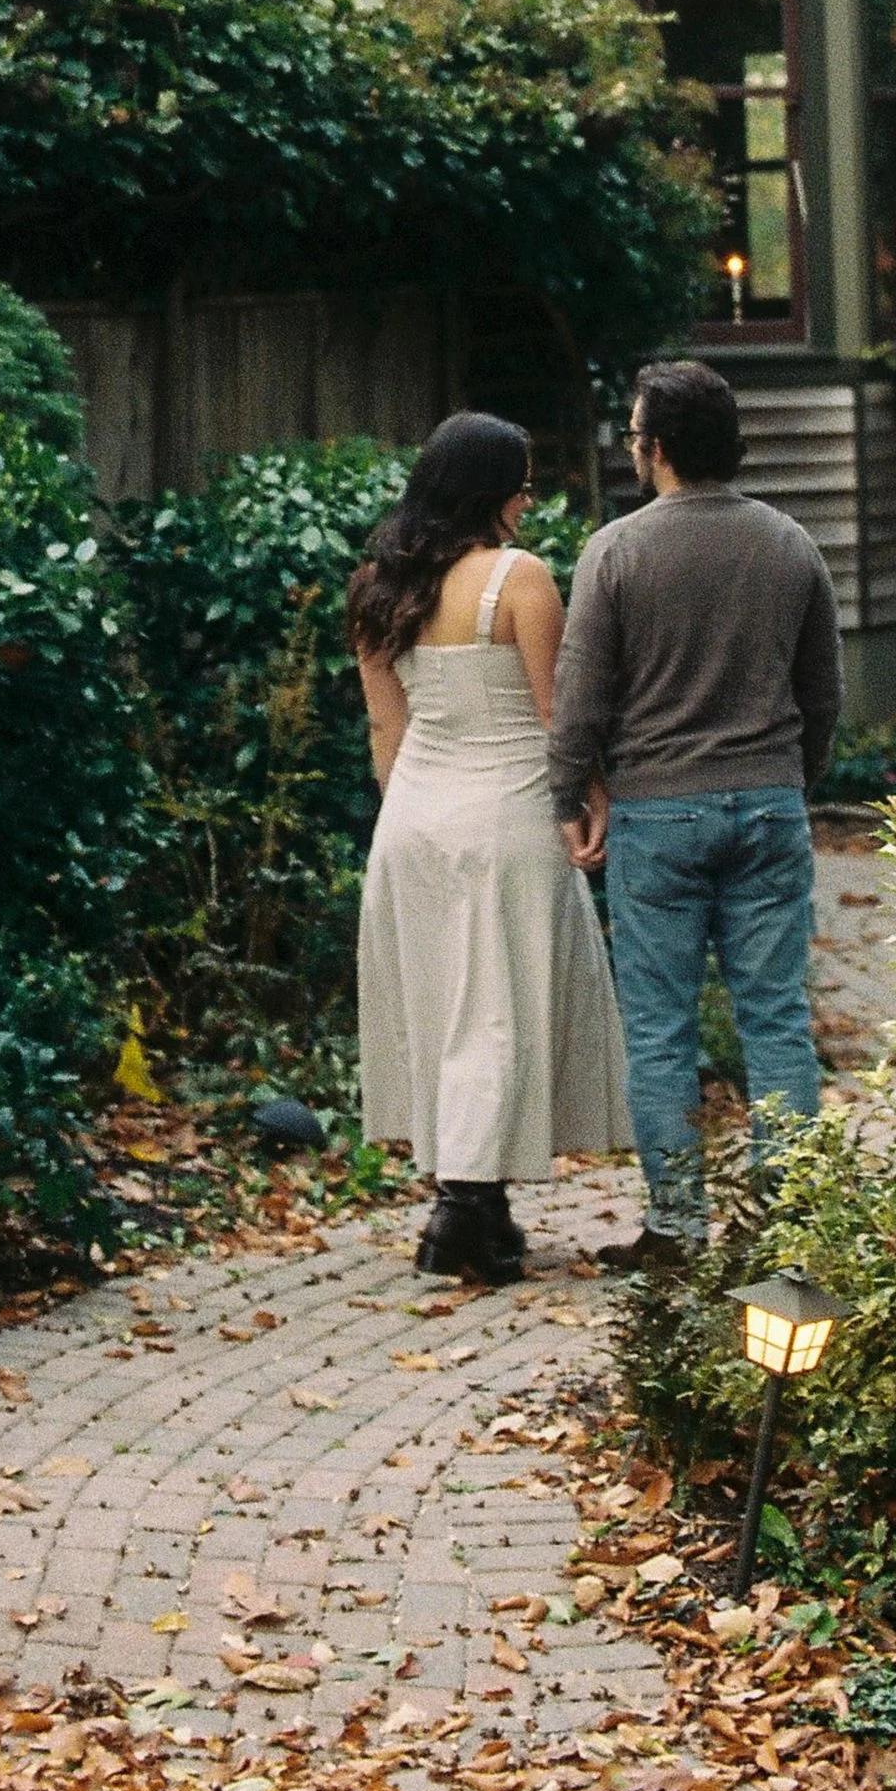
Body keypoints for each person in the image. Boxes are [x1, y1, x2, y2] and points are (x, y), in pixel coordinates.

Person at [548, 358, 843, 1271]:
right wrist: (793, 781)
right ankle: (785, 1226)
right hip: (766, 806)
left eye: (635, 437)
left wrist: (568, 797)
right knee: (775, 1017)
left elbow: (581, 698)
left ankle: (677, 1226)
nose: (633, 451)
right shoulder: (791, 545)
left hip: (657, 816)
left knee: (662, 1025)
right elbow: (822, 693)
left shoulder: (618, 552)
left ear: (660, 448)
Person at [353, 410, 631, 1285]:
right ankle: (461, 1213)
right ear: (490, 491)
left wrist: (413, 818)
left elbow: (384, 728)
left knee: (448, 1013)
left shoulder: (377, 584)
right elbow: (560, 717)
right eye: (522, 481)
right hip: (506, 816)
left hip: (414, 824)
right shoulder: (521, 579)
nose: (528, 498)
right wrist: (590, 804)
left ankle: (482, 1207)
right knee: (499, 1013)